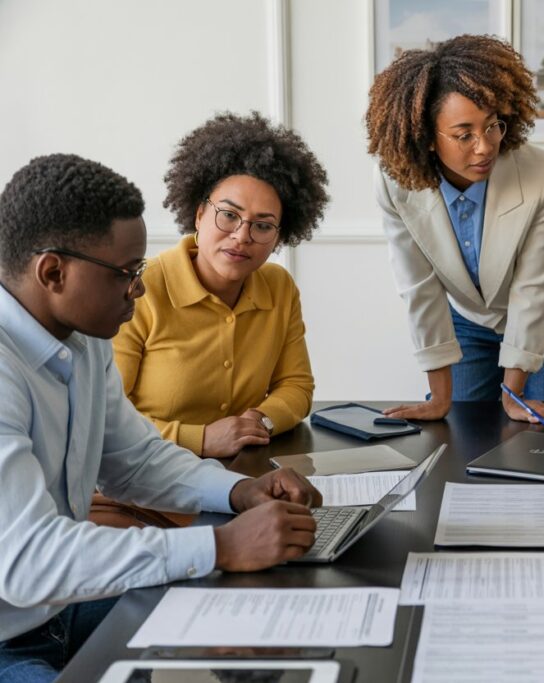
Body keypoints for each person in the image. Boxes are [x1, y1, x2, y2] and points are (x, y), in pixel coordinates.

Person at [0, 154, 322, 683]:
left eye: (140, 271)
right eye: (126, 274)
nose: (139, 290)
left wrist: (240, 490)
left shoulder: (84, 343)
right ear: (53, 272)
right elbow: (27, 560)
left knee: (253, 620)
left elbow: (134, 460)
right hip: (10, 636)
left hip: (60, 611)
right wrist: (220, 544)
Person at [366, 34, 544, 424]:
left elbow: (532, 288)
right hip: (467, 321)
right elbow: (419, 287)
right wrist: (439, 398)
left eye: (492, 127)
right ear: (427, 137)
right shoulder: (393, 182)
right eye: (463, 134)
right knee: (461, 434)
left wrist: (513, 394)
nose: (485, 147)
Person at [113, 111, 327, 460]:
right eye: (228, 215)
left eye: (263, 225)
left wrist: (259, 421)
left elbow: (296, 386)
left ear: (278, 237)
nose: (242, 236)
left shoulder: (279, 287)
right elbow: (106, 419)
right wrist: (198, 439)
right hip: (144, 479)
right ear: (199, 214)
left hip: (244, 473)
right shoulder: (141, 288)